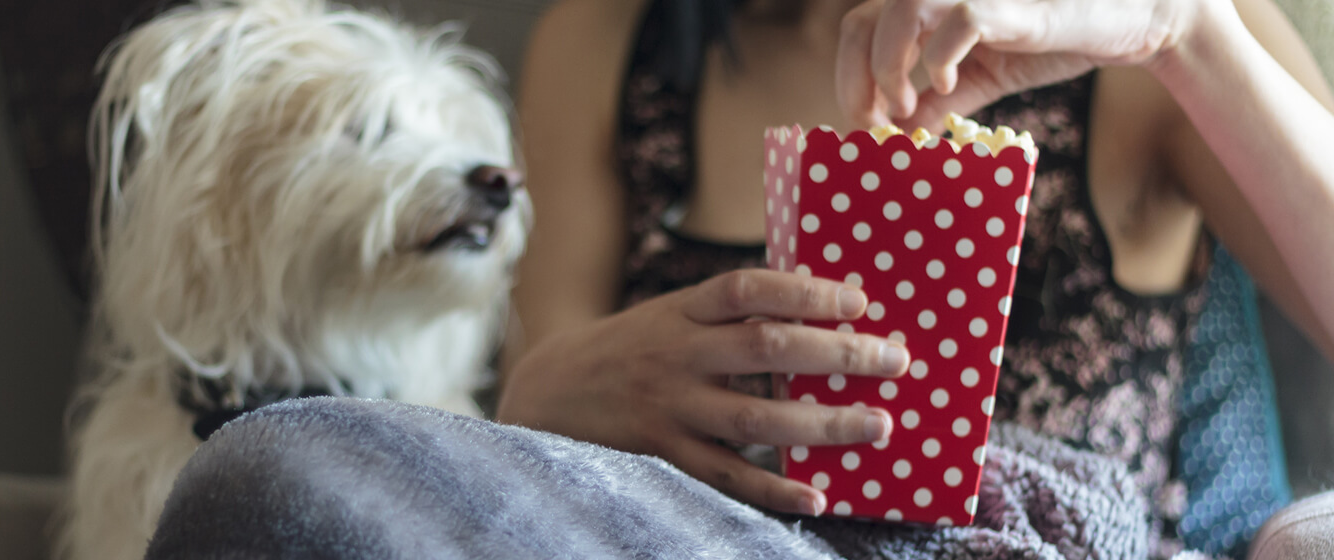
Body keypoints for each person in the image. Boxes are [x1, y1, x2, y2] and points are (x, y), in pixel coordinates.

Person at [496, 0, 1334, 555]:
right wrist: (542, 391)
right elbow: (541, 403)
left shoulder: (1161, 31)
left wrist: (1181, 32)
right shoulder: (606, 38)